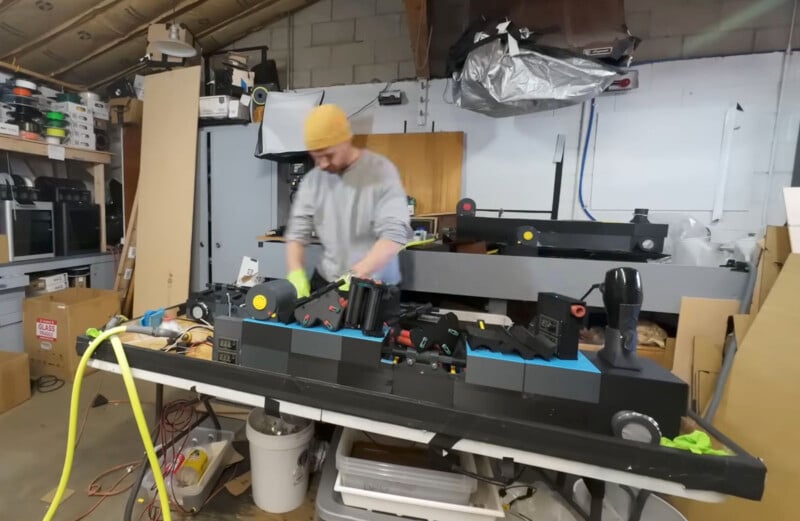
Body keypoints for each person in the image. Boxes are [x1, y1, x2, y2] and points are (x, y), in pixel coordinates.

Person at [284, 104, 412, 298]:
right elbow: (296, 234)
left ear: (346, 140)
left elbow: (393, 236)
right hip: (327, 282)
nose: (323, 164)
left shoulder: (381, 171)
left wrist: (357, 273)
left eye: (329, 155)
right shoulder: (313, 181)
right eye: (316, 157)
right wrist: (295, 273)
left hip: (374, 287)